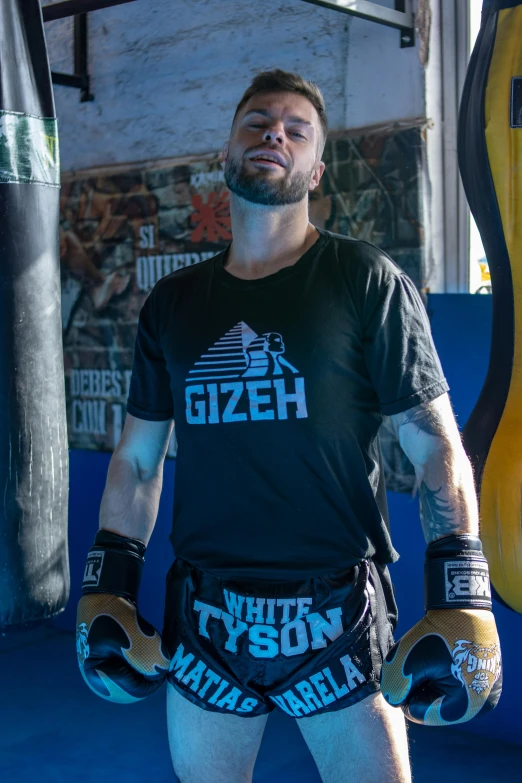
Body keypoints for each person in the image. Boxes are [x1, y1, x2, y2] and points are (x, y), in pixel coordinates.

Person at [76, 69, 501, 783]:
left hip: (334, 610)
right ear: (225, 153)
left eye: (296, 128)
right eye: (257, 121)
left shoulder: (364, 281)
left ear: (315, 169)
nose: (275, 132)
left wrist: (462, 590)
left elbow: (436, 449)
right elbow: (139, 462)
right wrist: (110, 581)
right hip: (209, 612)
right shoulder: (174, 306)